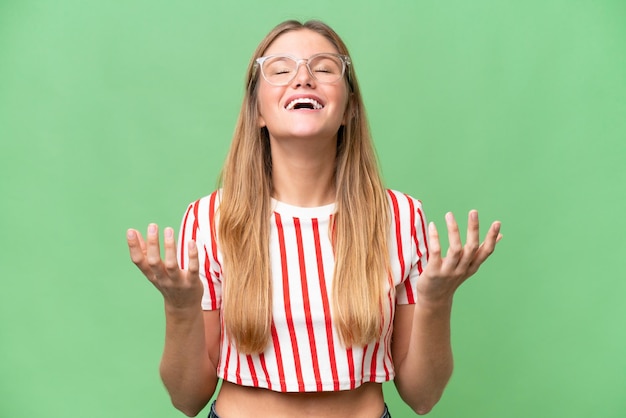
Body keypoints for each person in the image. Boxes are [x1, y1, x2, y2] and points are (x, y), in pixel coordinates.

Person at [126, 19, 502, 418]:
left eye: (323, 68)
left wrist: (437, 301)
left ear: (349, 111)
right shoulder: (209, 219)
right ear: (257, 111)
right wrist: (180, 307)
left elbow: (422, 396)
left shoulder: (401, 218)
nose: (303, 78)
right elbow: (187, 399)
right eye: (281, 69)